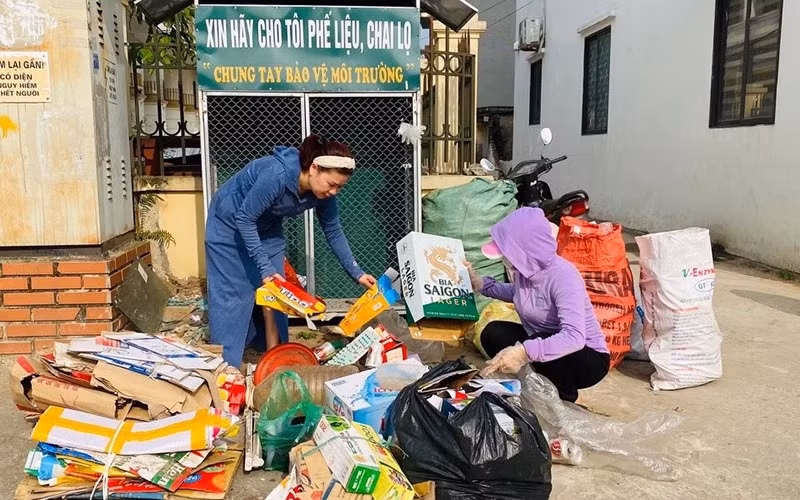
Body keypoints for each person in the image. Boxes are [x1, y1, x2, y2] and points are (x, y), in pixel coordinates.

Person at [205, 135, 375, 368]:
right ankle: (226, 365)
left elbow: (333, 231)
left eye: (340, 187)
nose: (334, 191)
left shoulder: (323, 194)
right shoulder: (276, 175)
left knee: (279, 294)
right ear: (314, 168)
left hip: (267, 228)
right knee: (234, 294)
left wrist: (357, 272)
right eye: (331, 184)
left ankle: (274, 358)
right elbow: (244, 219)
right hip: (229, 226)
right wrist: (264, 268)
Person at [468, 207, 609, 402]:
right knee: (494, 332)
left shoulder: (564, 276)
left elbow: (574, 337)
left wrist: (523, 352)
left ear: (525, 250)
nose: (505, 258)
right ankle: (531, 383)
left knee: (539, 340)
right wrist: (480, 283)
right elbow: (517, 293)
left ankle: (563, 398)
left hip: (585, 356)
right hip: (543, 339)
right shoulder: (525, 272)